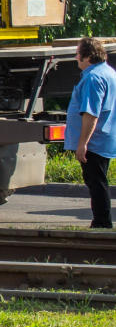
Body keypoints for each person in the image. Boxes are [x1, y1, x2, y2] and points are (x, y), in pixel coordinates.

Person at [65, 37, 116, 229]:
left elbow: (91, 113)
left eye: (77, 52)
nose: (76, 57)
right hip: (105, 136)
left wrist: (82, 143)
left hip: (94, 140)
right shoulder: (108, 72)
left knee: (96, 182)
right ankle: (102, 222)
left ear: (87, 56)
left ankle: (102, 224)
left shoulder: (93, 77)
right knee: (99, 179)